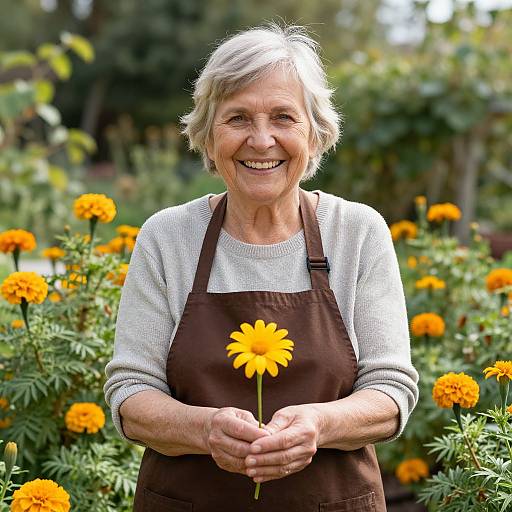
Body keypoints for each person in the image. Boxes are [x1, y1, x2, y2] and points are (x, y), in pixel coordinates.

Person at [104, 23, 419, 512]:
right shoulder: (167, 237)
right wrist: (205, 430)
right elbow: (131, 393)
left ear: (315, 134)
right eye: (237, 118)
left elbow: (391, 392)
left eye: (283, 117)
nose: (261, 139)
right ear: (208, 135)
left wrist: (320, 424)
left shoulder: (357, 233)